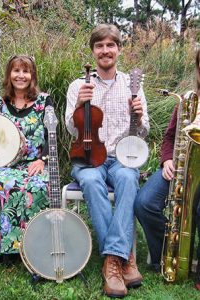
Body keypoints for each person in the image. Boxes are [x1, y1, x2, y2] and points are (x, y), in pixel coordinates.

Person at [65, 24, 149, 298]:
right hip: (89, 156)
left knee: (127, 177)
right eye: (99, 46)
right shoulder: (79, 85)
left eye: (110, 45)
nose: (105, 50)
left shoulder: (132, 85)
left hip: (122, 156)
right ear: (93, 51)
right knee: (89, 180)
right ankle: (123, 259)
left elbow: (143, 130)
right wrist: (79, 105)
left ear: (119, 50)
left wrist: (137, 116)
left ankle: (112, 261)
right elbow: (70, 128)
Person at [0, 55, 52, 262]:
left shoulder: (44, 101)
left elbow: (53, 134)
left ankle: (33, 247)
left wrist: (43, 159)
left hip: (35, 163)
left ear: (32, 75)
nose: (21, 75)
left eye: (26, 71)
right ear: (9, 75)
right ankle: (1, 248)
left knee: (39, 187)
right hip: (5, 165)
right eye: (16, 71)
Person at [134, 48, 200, 290]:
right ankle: (168, 256)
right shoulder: (188, 99)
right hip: (180, 168)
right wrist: (167, 161)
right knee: (144, 202)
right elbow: (170, 137)